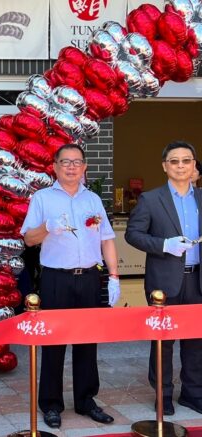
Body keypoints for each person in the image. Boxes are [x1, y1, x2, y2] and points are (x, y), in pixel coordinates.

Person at [20, 144, 120, 429]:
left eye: (77, 162)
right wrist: (48, 227)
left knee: (88, 341)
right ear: (54, 166)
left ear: (85, 167)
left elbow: (107, 238)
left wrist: (113, 276)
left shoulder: (92, 199)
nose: (72, 167)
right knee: (53, 343)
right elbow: (28, 239)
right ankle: (51, 404)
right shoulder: (42, 198)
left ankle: (86, 400)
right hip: (56, 278)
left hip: (89, 276)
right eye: (66, 162)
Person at [125, 140, 202, 416]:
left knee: (196, 340)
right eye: (174, 161)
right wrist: (164, 245)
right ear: (165, 166)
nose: (180, 166)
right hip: (164, 282)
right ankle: (163, 394)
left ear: (194, 165)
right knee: (163, 341)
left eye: (186, 160)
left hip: (198, 281)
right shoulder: (151, 198)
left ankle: (193, 394)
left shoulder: (201, 198)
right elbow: (132, 234)